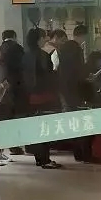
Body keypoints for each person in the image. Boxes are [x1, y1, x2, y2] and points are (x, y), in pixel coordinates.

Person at [23, 27, 62, 169]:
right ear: (39, 39)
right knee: (45, 128)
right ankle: (45, 159)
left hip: (30, 97)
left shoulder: (25, 55)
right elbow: (49, 76)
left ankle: (39, 158)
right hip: (44, 96)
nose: (46, 39)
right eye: (44, 36)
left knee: (35, 128)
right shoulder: (43, 55)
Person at [58, 25, 91, 162]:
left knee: (73, 121)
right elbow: (78, 71)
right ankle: (82, 153)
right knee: (79, 120)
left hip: (65, 89)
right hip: (75, 89)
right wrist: (87, 77)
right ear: (83, 36)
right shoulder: (76, 49)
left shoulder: (64, 47)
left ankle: (77, 152)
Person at [1, 30, 26, 155]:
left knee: (5, 117)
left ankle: (8, 145)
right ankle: (16, 145)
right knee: (17, 116)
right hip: (17, 86)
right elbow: (23, 66)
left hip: (3, 87)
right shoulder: (17, 48)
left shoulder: (0, 49)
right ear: (14, 37)